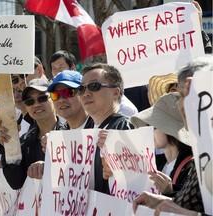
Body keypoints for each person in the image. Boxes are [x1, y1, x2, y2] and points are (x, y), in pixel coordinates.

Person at [133, 55, 213, 215]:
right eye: (183, 95)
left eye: (184, 94)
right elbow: (198, 203)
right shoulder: (203, 151)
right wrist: (167, 199)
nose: (180, 103)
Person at [0, 78, 66, 189]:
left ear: (54, 98)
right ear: (26, 107)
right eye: (30, 101)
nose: (36, 104)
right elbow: (15, 182)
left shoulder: (70, 133)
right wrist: (8, 146)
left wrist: (48, 167)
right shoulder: (25, 142)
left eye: (42, 98)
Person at [78, 63, 135, 194]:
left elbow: (136, 183)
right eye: (81, 89)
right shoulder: (86, 130)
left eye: (94, 86)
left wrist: (119, 168)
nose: (86, 93)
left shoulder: (124, 128)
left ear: (115, 92)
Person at [27, 70, 94, 180]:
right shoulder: (58, 138)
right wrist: (47, 166)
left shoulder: (100, 129)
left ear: (83, 92)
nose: (61, 100)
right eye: (55, 95)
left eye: (68, 92)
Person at [131, 93, 193, 196]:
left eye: (154, 126)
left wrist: (171, 191)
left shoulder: (191, 168)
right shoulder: (155, 162)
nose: (150, 131)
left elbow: (191, 207)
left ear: (170, 130)